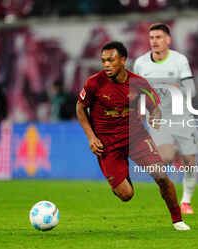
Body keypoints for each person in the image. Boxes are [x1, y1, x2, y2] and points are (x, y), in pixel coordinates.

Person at [76, 41, 190, 230]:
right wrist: (91, 137)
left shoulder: (138, 82)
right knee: (126, 195)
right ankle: (122, 176)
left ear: (123, 60)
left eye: (111, 60)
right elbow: (80, 108)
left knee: (161, 175)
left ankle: (178, 220)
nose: (106, 65)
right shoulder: (94, 83)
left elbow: (155, 105)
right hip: (107, 144)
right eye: (103, 61)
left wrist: (155, 115)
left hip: (136, 137)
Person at [134, 23, 198, 214]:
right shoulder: (140, 64)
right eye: (151, 38)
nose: (154, 41)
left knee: (190, 160)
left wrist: (176, 87)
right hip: (157, 117)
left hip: (180, 115)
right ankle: (175, 155)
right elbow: (136, 91)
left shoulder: (179, 60)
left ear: (168, 40)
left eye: (158, 37)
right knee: (164, 157)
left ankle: (186, 201)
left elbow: (191, 90)